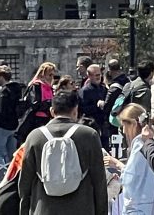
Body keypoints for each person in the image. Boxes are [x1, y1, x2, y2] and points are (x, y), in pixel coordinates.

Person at [14, 86, 110, 215]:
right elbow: (99, 180)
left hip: (44, 209)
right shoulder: (89, 135)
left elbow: (25, 182)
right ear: (75, 110)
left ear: (52, 111)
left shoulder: (35, 136)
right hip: (81, 208)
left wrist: (25, 210)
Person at [108, 101, 154, 215]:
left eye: (124, 126)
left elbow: (131, 179)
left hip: (144, 206)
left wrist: (117, 166)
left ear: (133, 124)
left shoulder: (140, 144)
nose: (123, 131)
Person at [0, 66, 25, 171]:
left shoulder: (4, 91)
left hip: (2, 125)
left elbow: (0, 110)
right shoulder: (18, 89)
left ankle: (1, 176)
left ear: (1, 77)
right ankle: (13, 175)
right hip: (14, 125)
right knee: (12, 154)